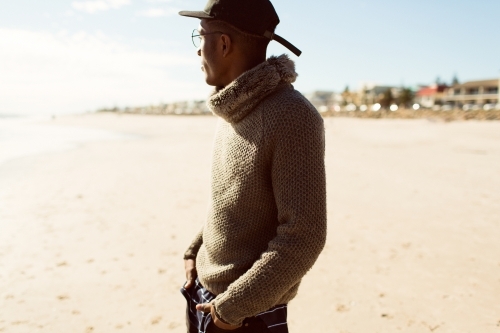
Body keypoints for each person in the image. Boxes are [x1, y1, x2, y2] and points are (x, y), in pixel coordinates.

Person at [178, 0, 327, 332]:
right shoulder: (234, 109)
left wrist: (231, 310)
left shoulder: (292, 116)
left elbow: (304, 237)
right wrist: (195, 251)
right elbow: (233, 203)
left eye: (198, 38)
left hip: (245, 316)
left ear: (222, 43)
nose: (197, 52)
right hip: (207, 297)